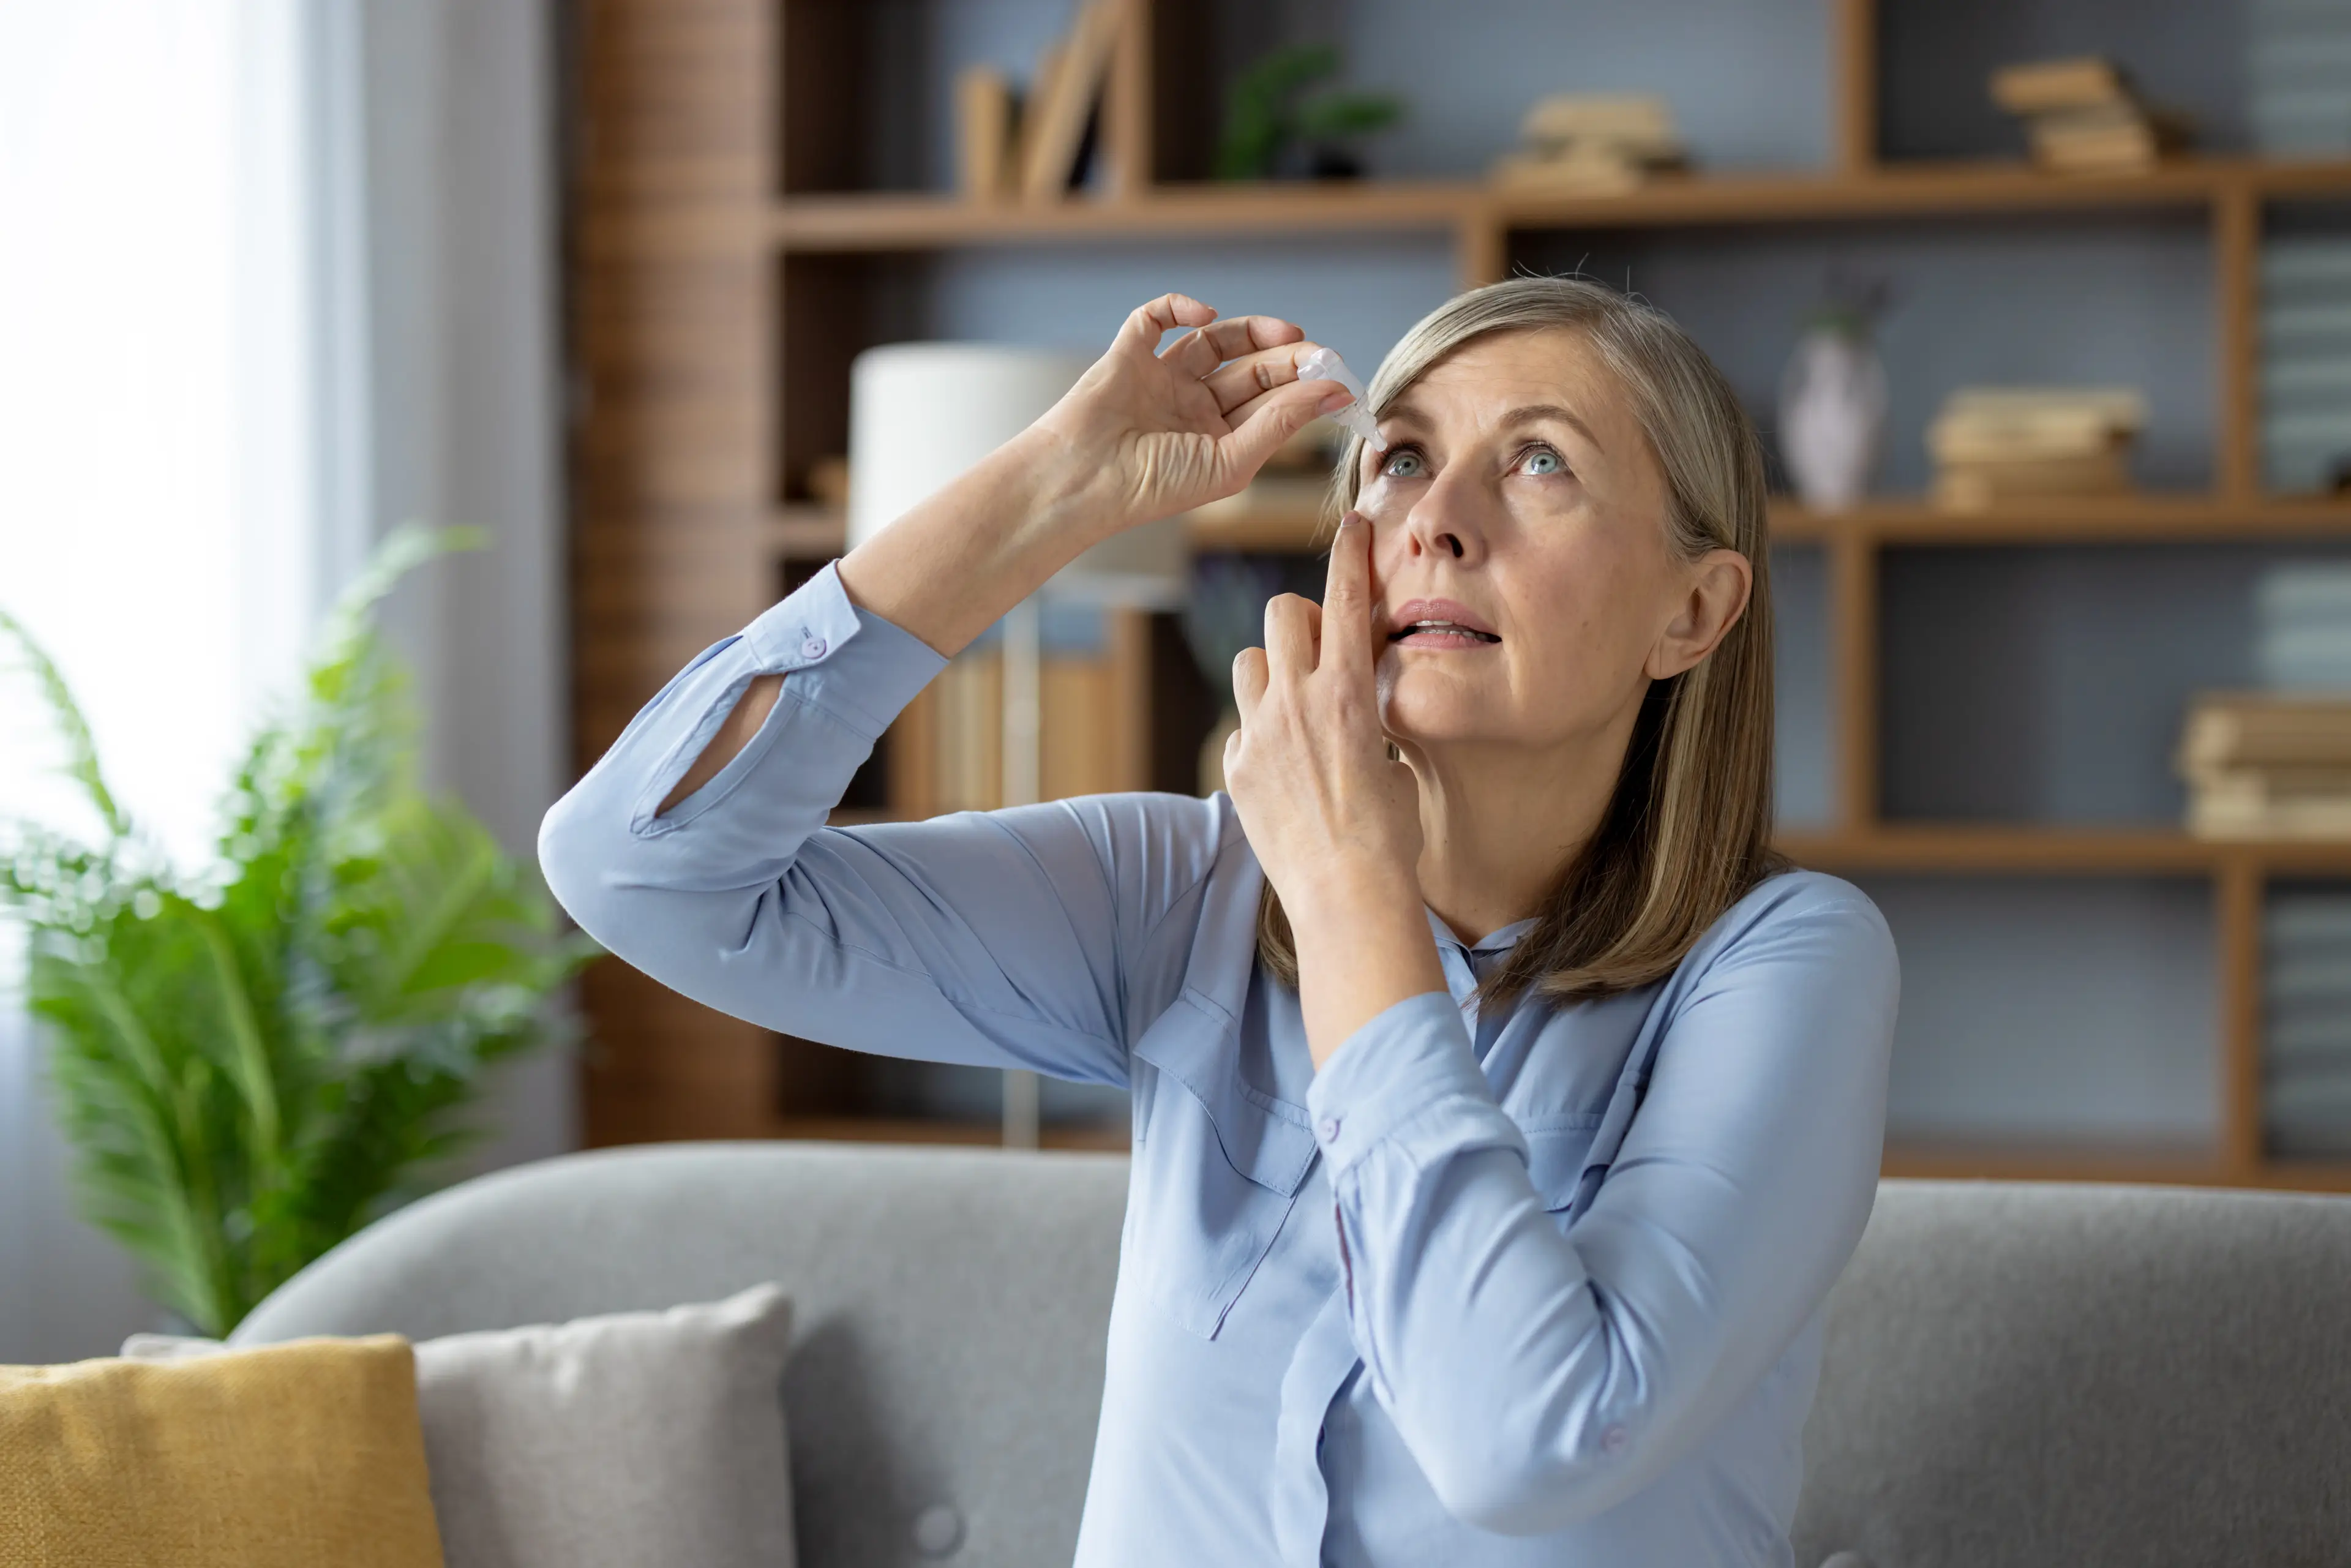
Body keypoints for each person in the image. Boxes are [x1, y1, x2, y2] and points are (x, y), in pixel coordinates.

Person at [538, 275, 1900, 1567]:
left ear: (1693, 608)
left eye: (1540, 461)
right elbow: (642, 868)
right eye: (1402, 457)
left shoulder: (1785, 967)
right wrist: (1053, 488)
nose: (1438, 520)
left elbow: (1525, 1440)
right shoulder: (1185, 890)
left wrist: (1351, 881)